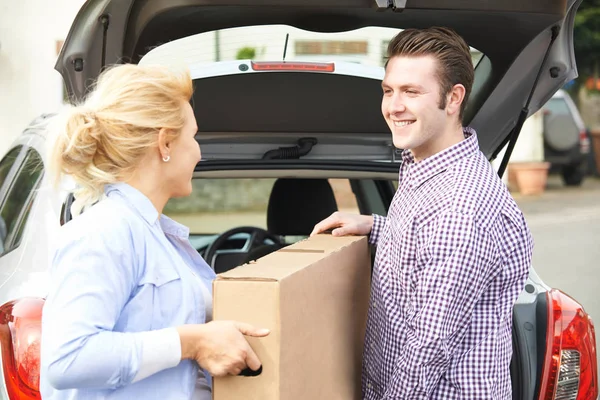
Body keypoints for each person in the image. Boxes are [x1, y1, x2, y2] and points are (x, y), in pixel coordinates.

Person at [311, 27, 533, 399]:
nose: (393, 106)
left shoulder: (461, 205)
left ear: (454, 98)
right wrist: (377, 226)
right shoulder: (424, 169)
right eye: (388, 90)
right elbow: (425, 252)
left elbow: (427, 349)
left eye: (411, 92)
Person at [40, 64, 269, 400]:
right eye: (193, 136)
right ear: (165, 143)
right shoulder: (105, 232)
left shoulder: (158, 235)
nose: (199, 152)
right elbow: (67, 358)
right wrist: (192, 342)